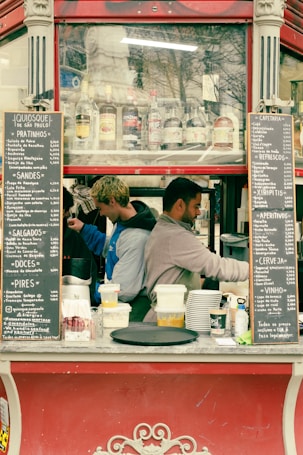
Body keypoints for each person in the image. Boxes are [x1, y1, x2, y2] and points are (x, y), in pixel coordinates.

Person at [144, 177, 249, 315]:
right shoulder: (175, 236)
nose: (199, 212)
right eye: (196, 206)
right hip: (170, 319)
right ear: (180, 205)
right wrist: (256, 271)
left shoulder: (162, 229)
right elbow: (217, 266)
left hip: (166, 315)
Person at [67, 176, 157, 321]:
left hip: (131, 310)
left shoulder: (137, 238)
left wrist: (87, 289)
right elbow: (112, 248)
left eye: (100, 208)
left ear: (112, 201)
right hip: (119, 303)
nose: (101, 214)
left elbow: (122, 290)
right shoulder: (123, 224)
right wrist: (83, 229)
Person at [62, 186, 99, 306]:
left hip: (69, 307)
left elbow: (89, 274)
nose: (68, 214)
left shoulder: (74, 239)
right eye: (66, 210)